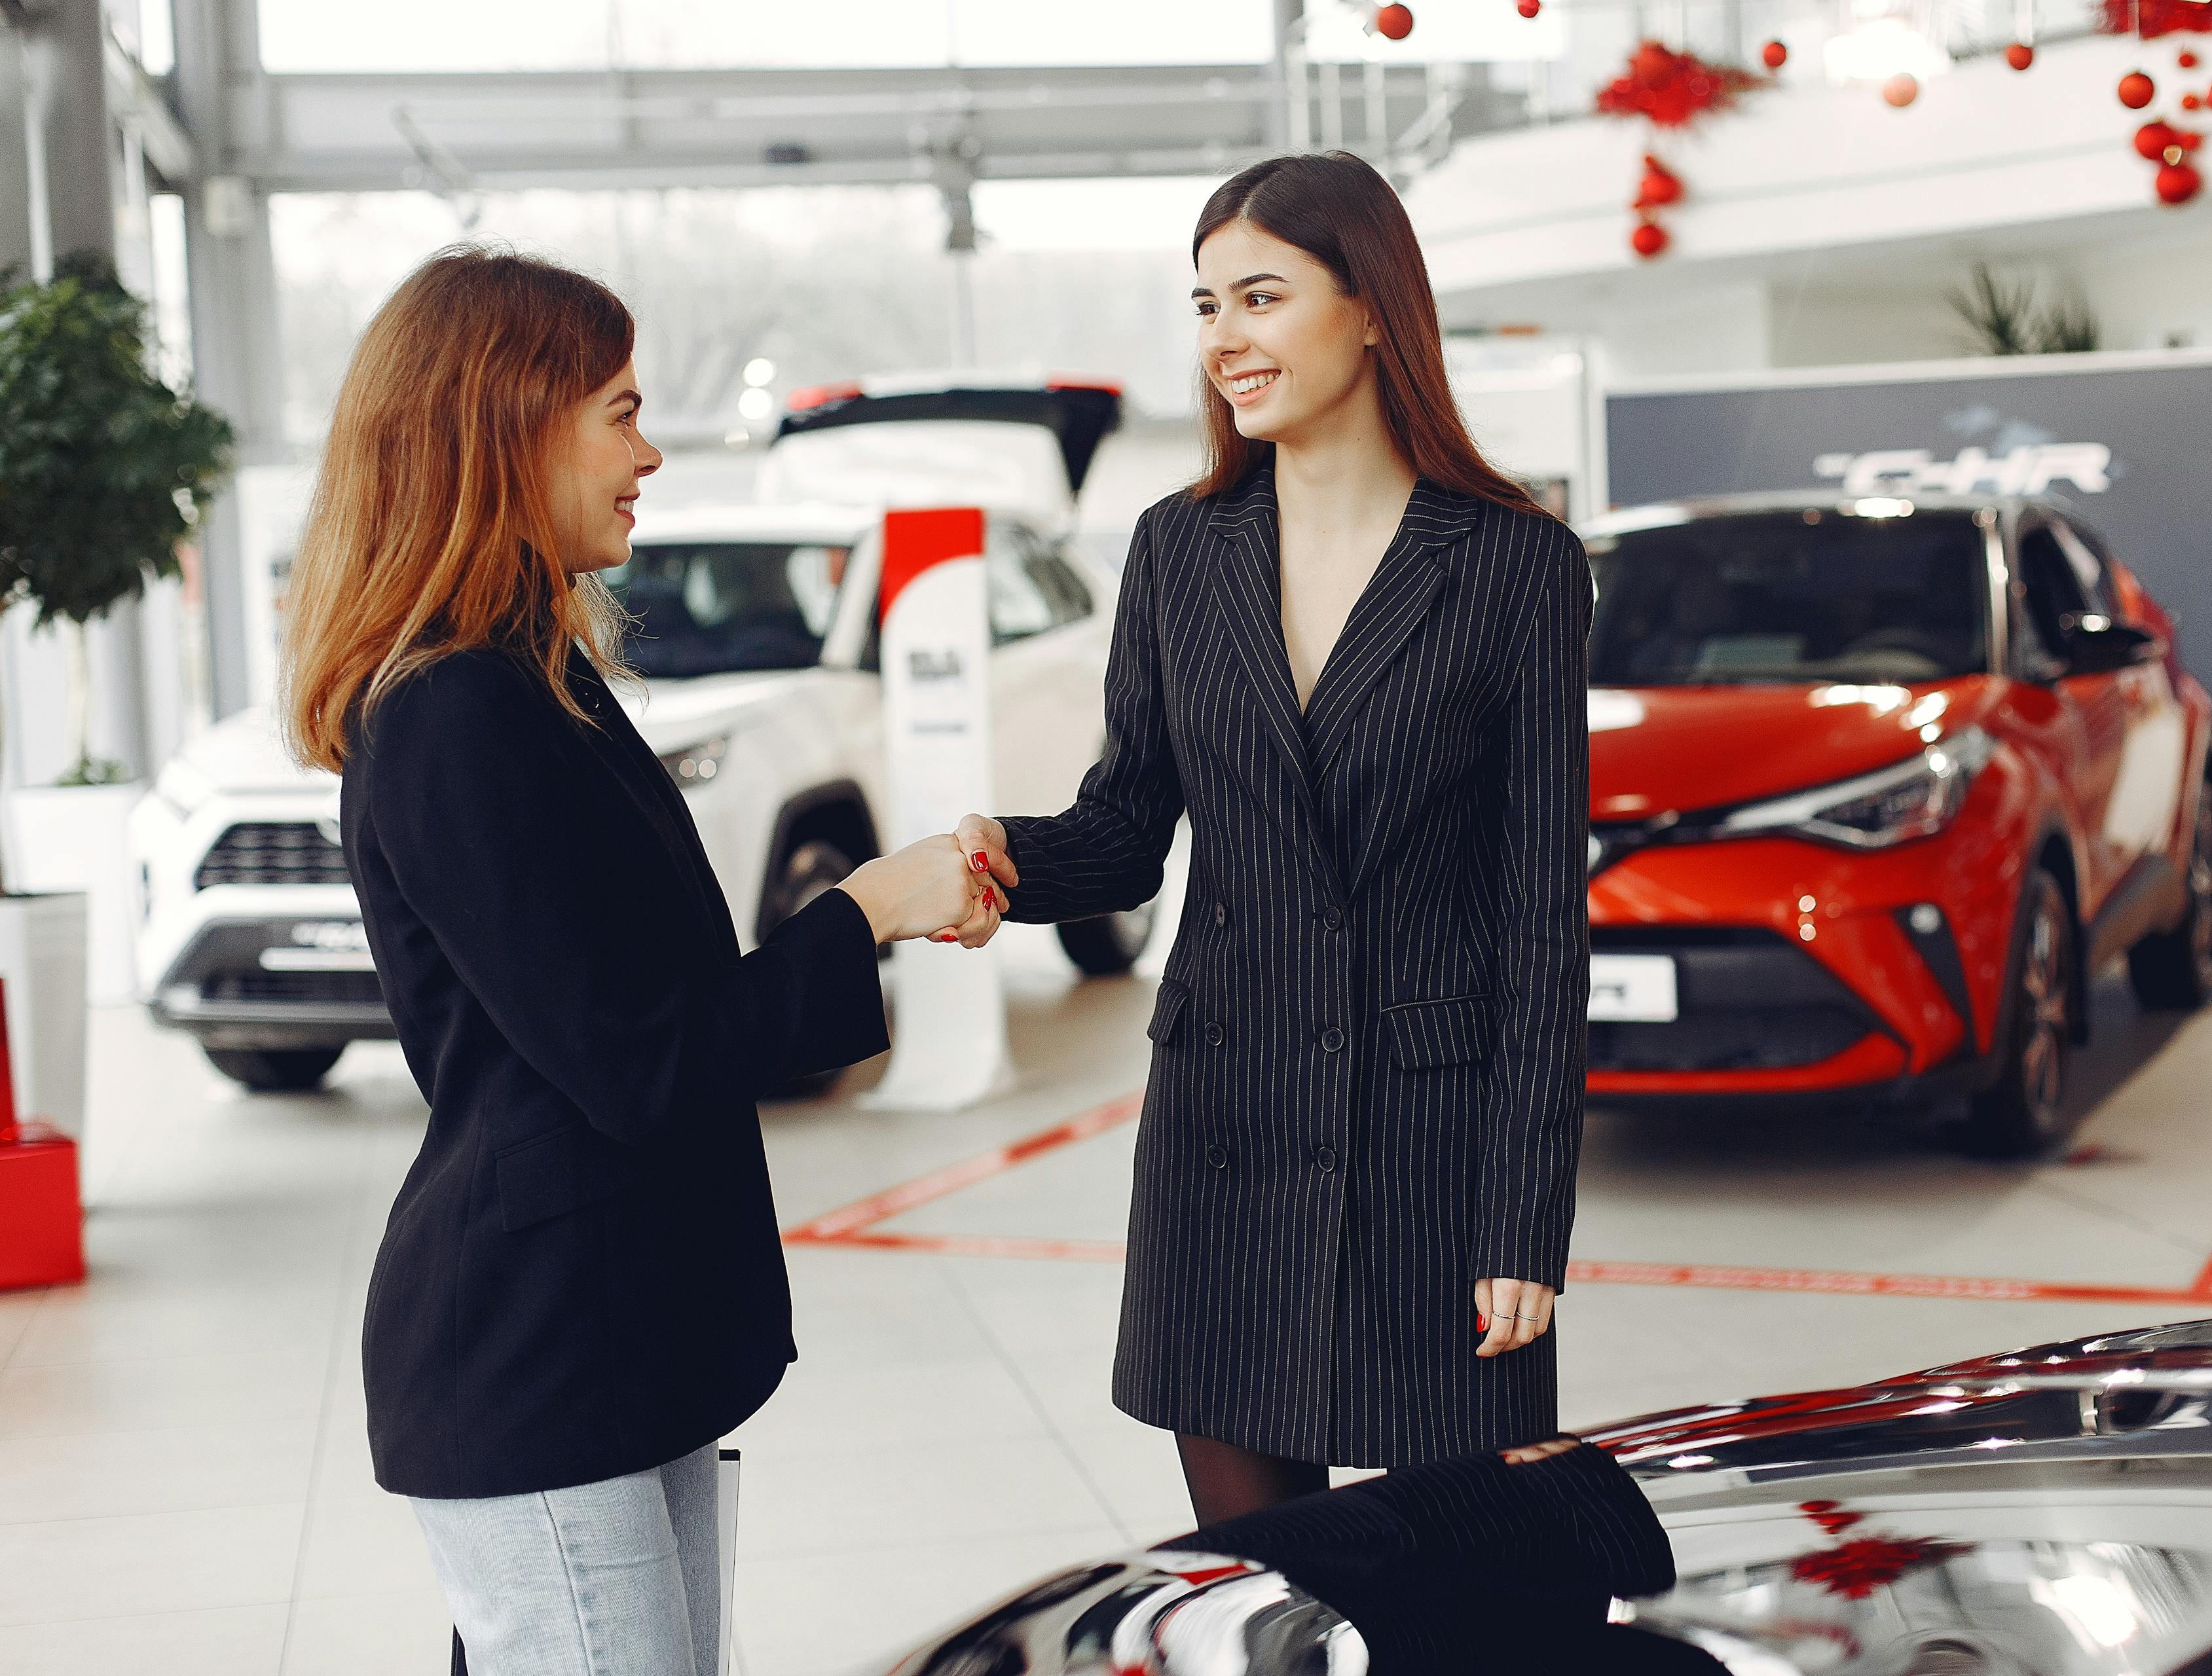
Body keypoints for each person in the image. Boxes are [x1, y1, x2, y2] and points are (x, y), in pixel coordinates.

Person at [279, 246, 999, 1676]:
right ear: (509, 423)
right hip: (540, 1361)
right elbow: (641, 1053)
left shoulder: (527, 678)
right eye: (619, 410)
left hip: (614, 1337)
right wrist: (863, 909)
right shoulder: (453, 713)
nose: (648, 450)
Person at [944, 151, 1592, 1526]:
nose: (1224, 339)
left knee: (1460, 1598)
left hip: (1430, 1149)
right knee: (1261, 1592)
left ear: (1372, 308)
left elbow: (1544, 917)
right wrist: (1000, 857)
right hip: (1224, 1139)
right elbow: (1130, 825)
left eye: (1259, 295)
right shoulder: (1180, 548)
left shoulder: (1512, 562)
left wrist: (1525, 1221)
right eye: (1203, 305)